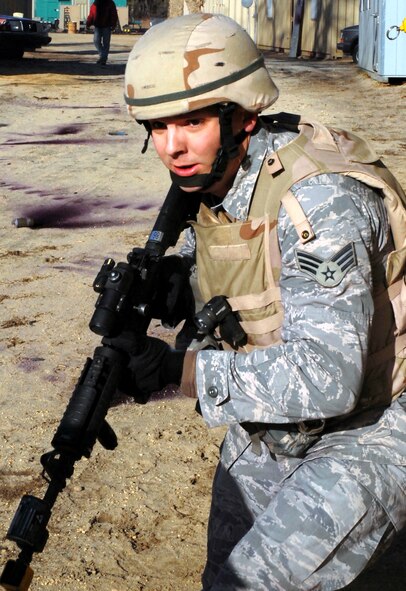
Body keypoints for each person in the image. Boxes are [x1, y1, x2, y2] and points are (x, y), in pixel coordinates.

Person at [116, 12, 406, 591]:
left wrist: (180, 371)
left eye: (190, 122)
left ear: (242, 115)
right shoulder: (217, 176)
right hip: (284, 420)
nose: (171, 147)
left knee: (250, 582)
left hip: (377, 416)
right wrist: (190, 282)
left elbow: (330, 376)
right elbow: (256, 273)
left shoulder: (320, 199)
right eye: (157, 126)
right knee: (221, 572)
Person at [86, 0, 118, 65]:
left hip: (107, 25)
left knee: (106, 43)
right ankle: (103, 56)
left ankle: (103, 58)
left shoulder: (110, 3)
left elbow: (114, 14)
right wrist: (88, 23)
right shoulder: (95, 3)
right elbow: (91, 14)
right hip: (98, 26)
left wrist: (113, 24)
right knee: (96, 41)